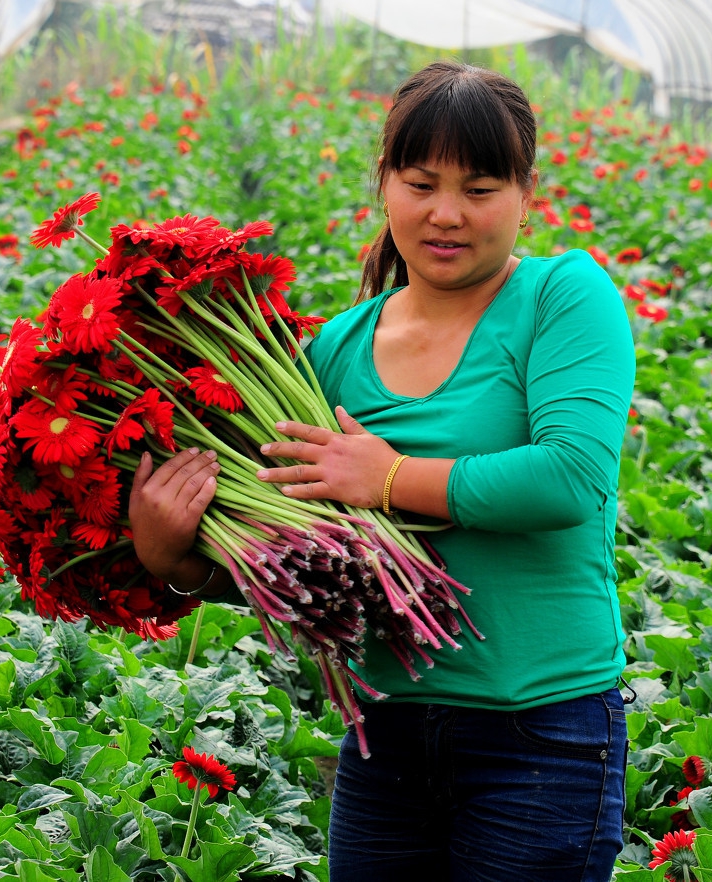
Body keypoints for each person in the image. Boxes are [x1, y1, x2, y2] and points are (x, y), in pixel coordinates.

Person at [129, 60, 635, 881]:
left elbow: (570, 479)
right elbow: (308, 569)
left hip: (542, 737)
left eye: (479, 189)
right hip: (386, 738)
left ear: (524, 193)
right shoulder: (333, 353)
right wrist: (177, 562)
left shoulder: (562, 297)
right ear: (385, 184)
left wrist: (390, 476)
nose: (446, 214)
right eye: (421, 182)